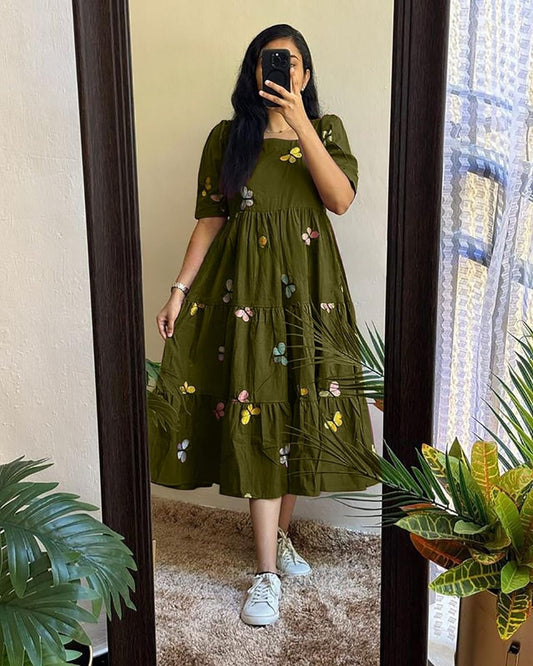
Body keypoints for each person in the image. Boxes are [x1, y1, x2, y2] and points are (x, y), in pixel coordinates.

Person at [148, 23, 377, 627]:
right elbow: (210, 219)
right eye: (269, 61)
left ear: (306, 73)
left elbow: (340, 199)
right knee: (259, 406)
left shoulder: (326, 131)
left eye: (291, 61)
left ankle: (278, 537)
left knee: (298, 408)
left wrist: (301, 122)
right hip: (246, 294)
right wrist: (178, 291)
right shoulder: (228, 138)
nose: (281, 69)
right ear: (253, 72)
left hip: (309, 294)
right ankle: (266, 573)